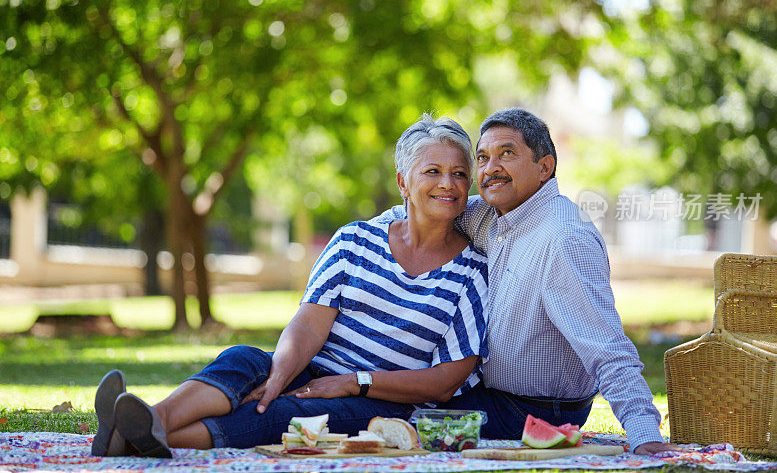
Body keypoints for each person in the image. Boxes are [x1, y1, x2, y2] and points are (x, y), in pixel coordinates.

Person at [91, 115, 488, 457]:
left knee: (284, 415)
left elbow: (444, 381)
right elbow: (309, 324)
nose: (447, 184)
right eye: (432, 172)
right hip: (314, 371)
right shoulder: (355, 240)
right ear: (403, 181)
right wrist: (280, 372)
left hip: (384, 402)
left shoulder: (473, 272)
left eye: (458, 175)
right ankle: (153, 418)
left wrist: (355, 382)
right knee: (246, 361)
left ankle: (129, 437)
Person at [378, 108, 682, 455]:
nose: (491, 168)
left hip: (536, 410)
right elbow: (421, 207)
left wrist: (645, 436)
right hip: (490, 395)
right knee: (388, 396)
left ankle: (302, 408)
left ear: (545, 168)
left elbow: (607, 347)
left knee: (390, 413)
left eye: (506, 154)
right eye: (483, 157)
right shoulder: (491, 217)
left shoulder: (564, 238)